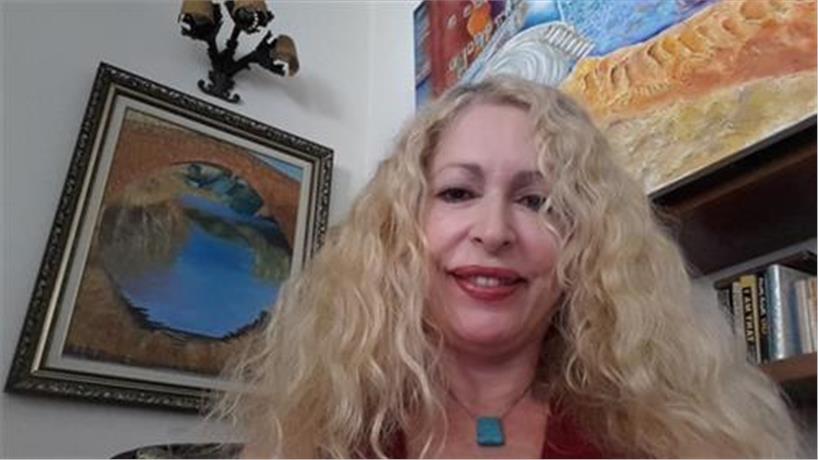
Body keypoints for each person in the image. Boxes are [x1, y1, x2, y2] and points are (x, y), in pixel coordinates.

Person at [212, 76, 802, 458]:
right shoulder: (322, 438)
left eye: (536, 201)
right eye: (457, 193)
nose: (493, 232)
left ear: (586, 244)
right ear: (400, 231)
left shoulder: (667, 438)